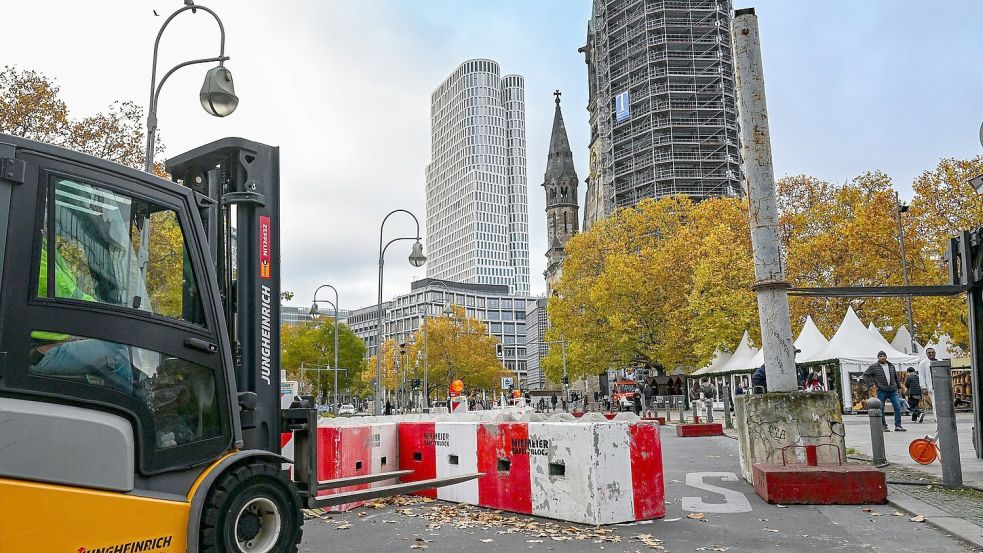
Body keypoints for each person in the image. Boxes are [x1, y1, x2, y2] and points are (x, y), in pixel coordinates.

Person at [861, 351, 905, 432]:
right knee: (881, 408)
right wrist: (871, 384)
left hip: (893, 390)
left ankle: (898, 425)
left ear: (886, 357)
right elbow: (865, 375)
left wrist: (899, 387)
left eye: (884, 356)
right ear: (878, 358)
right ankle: (883, 425)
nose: (882, 357)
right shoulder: (874, 367)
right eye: (880, 356)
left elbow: (895, 377)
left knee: (897, 407)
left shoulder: (891, 366)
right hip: (881, 390)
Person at [917, 347, 938, 416]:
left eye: (933, 352)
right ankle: (937, 419)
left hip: (941, 386)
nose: (931, 354)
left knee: (942, 404)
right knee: (935, 404)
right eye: (929, 352)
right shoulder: (923, 363)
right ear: (926, 354)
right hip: (931, 387)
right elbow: (921, 376)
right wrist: (923, 387)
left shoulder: (940, 361)